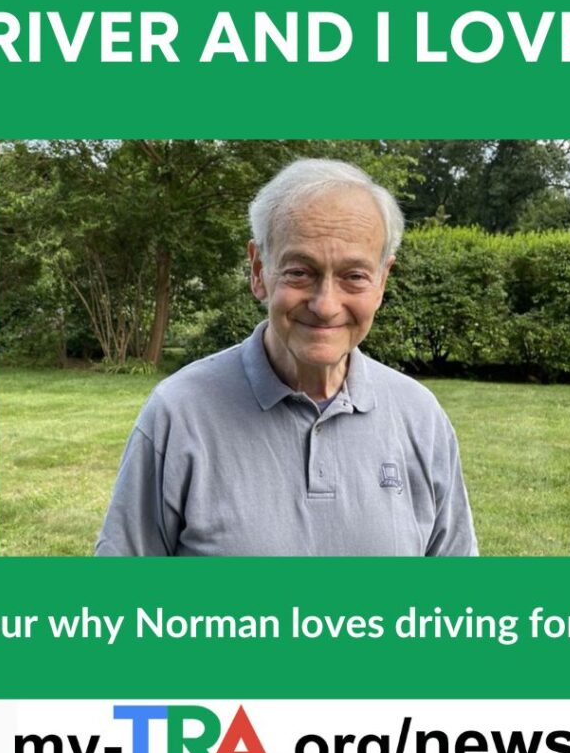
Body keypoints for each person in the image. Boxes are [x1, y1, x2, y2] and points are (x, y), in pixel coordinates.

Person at [94, 159, 478, 557]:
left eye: (355, 276)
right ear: (259, 270)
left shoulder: (421, 417)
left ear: (382, 281)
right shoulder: (179, 414)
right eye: (299, 272)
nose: (325, 305)